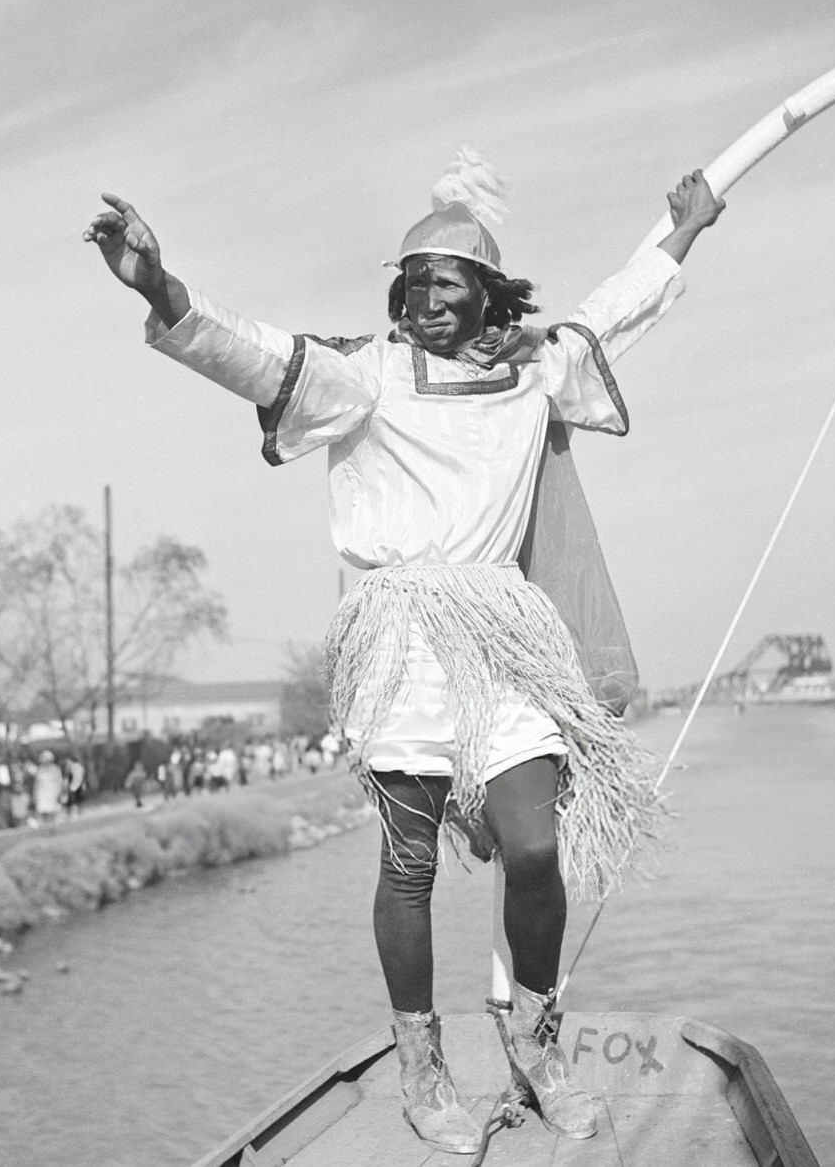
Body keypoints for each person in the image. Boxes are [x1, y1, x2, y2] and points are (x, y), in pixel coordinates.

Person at [85, 151, 723, 1153]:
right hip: (402, 639)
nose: (420, 295)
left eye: (443, 279)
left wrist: (683, 228)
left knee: (532, 848)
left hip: (506, 634)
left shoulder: (526, 372)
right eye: (409, 279)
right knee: (409, 860)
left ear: (485, 296)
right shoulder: (365, 375)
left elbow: (611, 312)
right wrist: (161, 285)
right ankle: (423, 1069)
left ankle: (537, 1040)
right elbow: (253, 353)